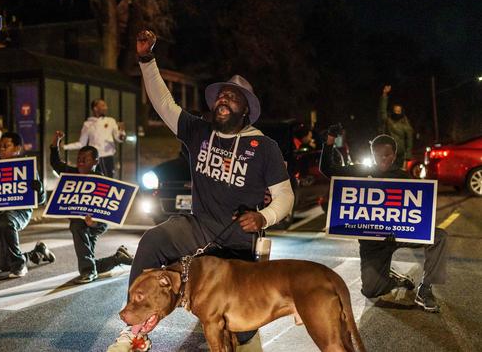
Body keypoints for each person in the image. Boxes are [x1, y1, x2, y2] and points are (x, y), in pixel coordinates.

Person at [107, 30, 294, 352]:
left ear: (245, 110)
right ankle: (137, 328)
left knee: (242, 332)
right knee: (153, 239)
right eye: (221, 95)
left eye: (232, 98)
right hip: (197, 226)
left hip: (237, 238)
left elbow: (286, 197)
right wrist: (147, 60)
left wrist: (264, 217)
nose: (224, 100)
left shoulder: (264, 147)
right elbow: (164, 103)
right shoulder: (200, 132)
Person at [320, 126, 447, 313]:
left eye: (387, 155)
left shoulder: (403, 178)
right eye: (378, 155)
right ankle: (393, 277)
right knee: (371, 290)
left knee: (439, 236)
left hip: (398, 235)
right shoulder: (360, 173)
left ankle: (425, 289)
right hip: (373, 242)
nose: (382, 159)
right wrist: (330, 140)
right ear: (372, 154)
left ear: (394, 155)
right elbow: (327, 169)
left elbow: (419, 213)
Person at [0, 103, 55, 278]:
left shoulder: (26, 168)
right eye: (0, 145)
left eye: (6, 146)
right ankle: (38, 252)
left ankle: (20, 264)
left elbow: (41, 200)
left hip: (19, 212)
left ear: (17, 149)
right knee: (3, 265)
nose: (1, 148)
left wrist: (40, 190)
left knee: (6, 222)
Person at [50, 131, 134, 284]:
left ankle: (88, 273)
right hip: (81, 222)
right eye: (79, 159)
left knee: (76, 226)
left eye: (85, 159)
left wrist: (94, 223)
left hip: (96, 224)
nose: (80, 162)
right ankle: (117, 258)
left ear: (95, 162)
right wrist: (55, 142)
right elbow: (56, 163)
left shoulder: (102, 182)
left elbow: (107, 214)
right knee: (88, 259)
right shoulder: (72, 174)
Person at [62, 99, 126, 177]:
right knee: (94, 180)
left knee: (107, 181)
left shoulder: (110, 121)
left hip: (107, 157)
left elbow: (119, 138)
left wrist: (121, 131)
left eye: (105, 105)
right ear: (95, 108)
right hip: (93, 158)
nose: (106, 108)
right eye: (103, 105)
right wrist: (65, 147)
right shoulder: (88, 124)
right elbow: (82, 143)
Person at [378, 85, 414, 169]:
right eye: (395, 111)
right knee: (389, 173)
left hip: (401, 154)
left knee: (400, 174)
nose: (397, 112)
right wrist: (384, 95)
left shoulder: (405, 124)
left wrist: (407, 155)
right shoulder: (389, 121)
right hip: (389, 152)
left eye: (399, 111)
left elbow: (409, 140)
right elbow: (383, 111)